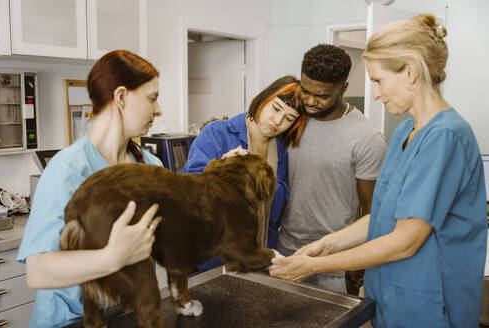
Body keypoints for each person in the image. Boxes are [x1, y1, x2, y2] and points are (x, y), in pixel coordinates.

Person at [270, 13, 487, 328]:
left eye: (378, 80)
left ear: (410, 71)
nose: (374, 94)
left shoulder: (446, 137)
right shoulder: (404, 133)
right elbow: (381, 216)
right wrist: (325, 245)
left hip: (429, 304)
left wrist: (315, 267)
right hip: (390, 297)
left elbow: (405, 241)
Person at [17, 50, 164, 328]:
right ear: (121, 97)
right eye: (152, 98)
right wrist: (112, 258)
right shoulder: (67, 170)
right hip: (70, 322)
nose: (159, 110)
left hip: (127, 316)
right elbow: (37, 271)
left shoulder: (150, 165)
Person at [275, 44, 387, 294]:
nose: (311, 101)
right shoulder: (291, 120)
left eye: (322, 95)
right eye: (305, 91)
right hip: (284, 253)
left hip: (334, 265)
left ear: (343, 89)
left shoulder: (367, 138)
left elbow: (372, 210)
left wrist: (357, 271)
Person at [184, 75, 305, 272]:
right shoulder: (217, 133)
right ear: (263, 99)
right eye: (275, 109)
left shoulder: (283, 151)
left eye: (289, 119)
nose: (277, 121)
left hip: (259, 258)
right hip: (211, 260)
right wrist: (221, 169)